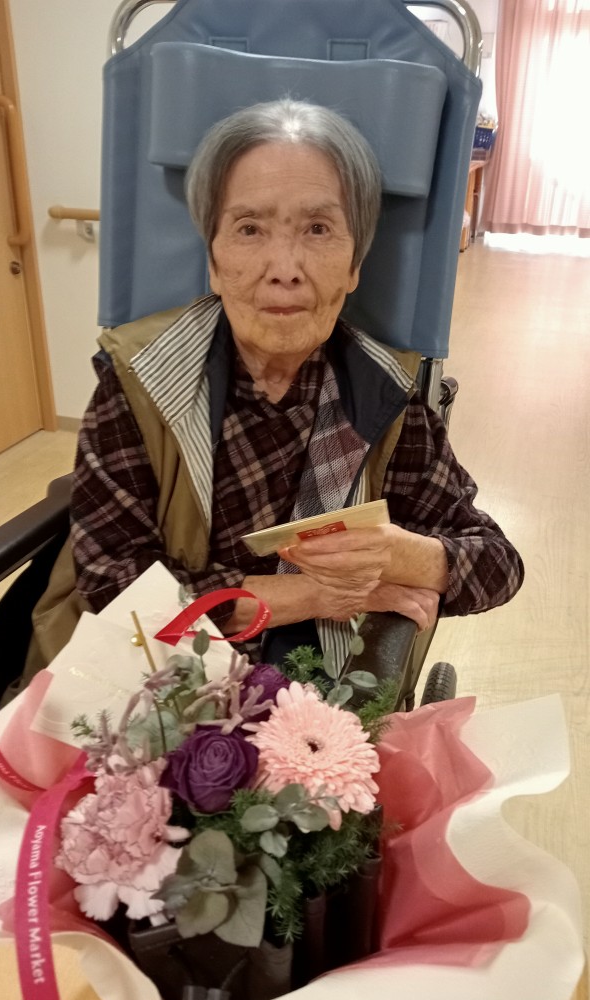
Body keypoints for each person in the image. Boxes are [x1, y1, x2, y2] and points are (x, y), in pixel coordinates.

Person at [53, 99, 523, 670]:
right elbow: (114, 585)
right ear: (213, 261)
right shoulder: (142, 381)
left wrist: (397, 555)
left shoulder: (381, 393)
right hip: (151, 680)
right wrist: (319, 595)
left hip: (314, 693)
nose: (284, 268)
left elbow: (498, 564)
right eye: (249, 228)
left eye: (318, 229)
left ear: (354, 265)